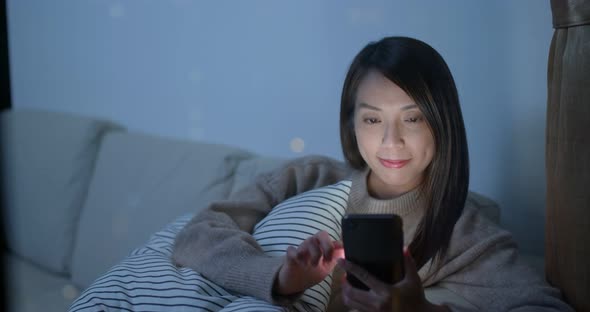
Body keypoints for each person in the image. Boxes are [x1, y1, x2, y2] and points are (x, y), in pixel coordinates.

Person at [172, 37, 572, 311]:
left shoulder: (464, 235)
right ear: (352, 125)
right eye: (372, 118)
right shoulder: (312, 177)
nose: (391, 140)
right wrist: (280, 277)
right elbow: (196, 234)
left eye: (412, 118)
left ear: (441, 123)